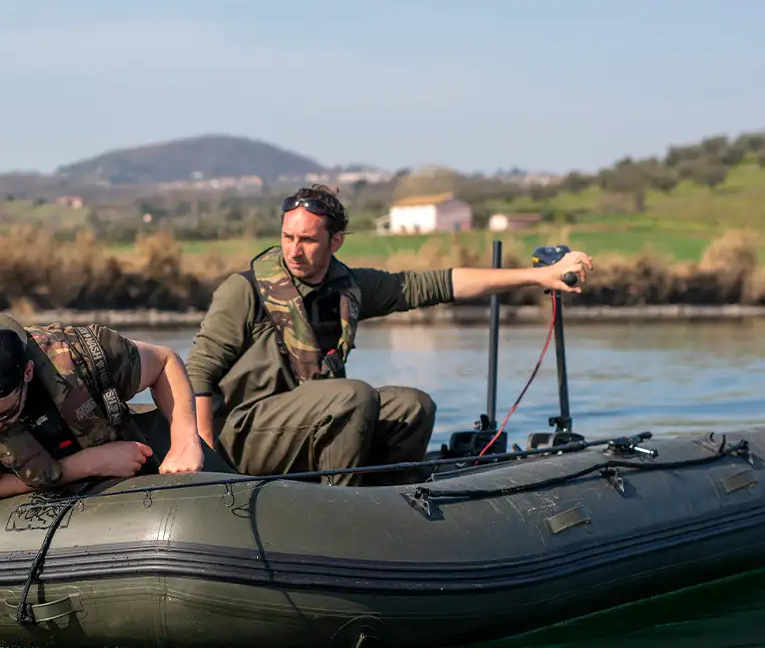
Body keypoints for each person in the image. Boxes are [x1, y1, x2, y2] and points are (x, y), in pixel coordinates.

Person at [186, 184, 594, 484]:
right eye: (288, 238)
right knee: (353, 396)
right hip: (244, 434)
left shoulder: (351, 287)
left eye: (308, 240)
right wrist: (205, 461)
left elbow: (439, 283)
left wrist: (540, 275)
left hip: (313, 420)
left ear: (336, 241)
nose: (294, 250)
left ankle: (390, 505)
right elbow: (197, 375)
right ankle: (336, 510)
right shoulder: (245, 290)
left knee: (411, 405)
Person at [0, 313, 205, 499]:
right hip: (65, 473)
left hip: (135, 455)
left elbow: (165, 361)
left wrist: (185, 441)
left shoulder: (84, 353)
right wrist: (89, 463)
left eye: (3, 414)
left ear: (27, 373)